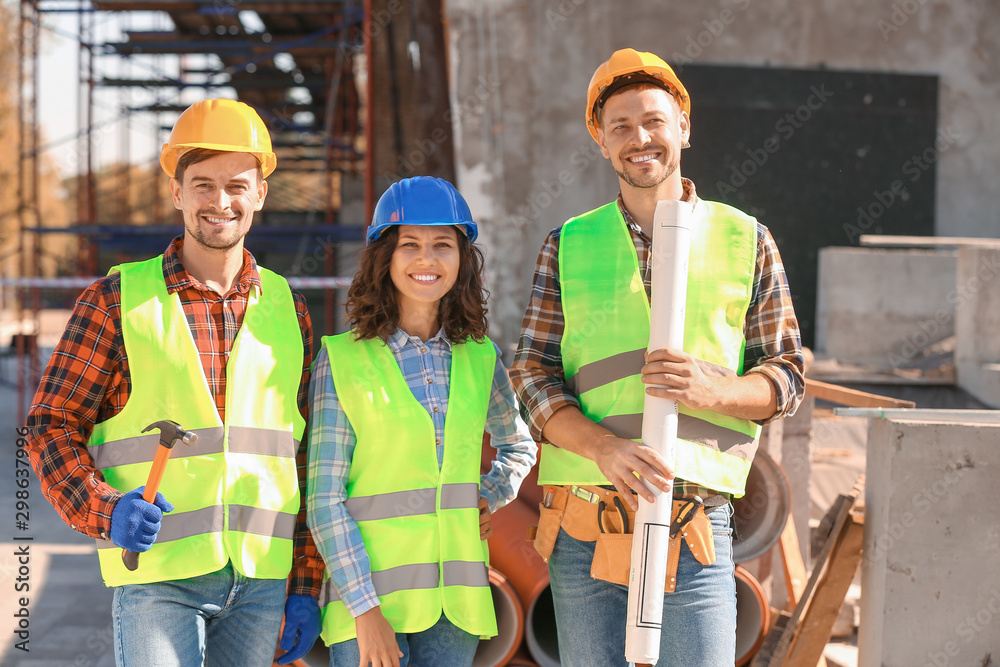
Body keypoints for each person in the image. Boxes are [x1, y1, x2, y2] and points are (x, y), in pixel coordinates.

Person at [509, 48, 805, 666]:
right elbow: (531, 376)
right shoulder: (568, 244)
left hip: (694, 523)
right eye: (620, 126)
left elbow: (787, 376)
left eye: (653, 122)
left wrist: (715, 390)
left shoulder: (745, 238)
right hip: (583, 525)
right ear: (600, 140)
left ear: (683, 129)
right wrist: (603, 449)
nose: (639, 139)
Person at [25, 98, 323, 666]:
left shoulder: (290, 308)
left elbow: (303, 455)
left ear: (260, 192)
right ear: (176, 191)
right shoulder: (116, 301)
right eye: (202, 184)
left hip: (262, 582)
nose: (220, 201)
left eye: (237, 185)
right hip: (159, 579)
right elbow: (50, 426)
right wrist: (103, 509)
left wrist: (306, 582)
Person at [306, 176, 537, 667]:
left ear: (462, 259)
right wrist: (365, 611)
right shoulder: (341, 360)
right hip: (368, 602)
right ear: (384, 257)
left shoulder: (480, 358)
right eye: (409, 244)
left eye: (442, 245)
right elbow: (325, 499)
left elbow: (519, 444)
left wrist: (489, 494)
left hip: (457, 606)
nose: (426, 259)